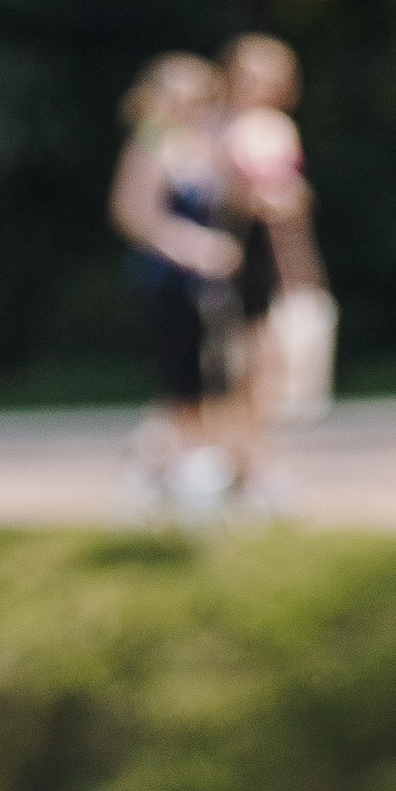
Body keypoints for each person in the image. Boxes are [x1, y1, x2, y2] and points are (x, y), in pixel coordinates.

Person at [109, 54, 240, 515]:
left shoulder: (203, 145)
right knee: (182, 386)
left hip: (208, 286)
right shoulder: (149, 144)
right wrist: (194, 247)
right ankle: (181, 480)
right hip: (169, 281)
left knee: (211, 385)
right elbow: (134, 215)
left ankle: (158, 470)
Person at [217, 36, 334, 512]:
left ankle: (255, 461)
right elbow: (217, 197)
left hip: (272, 255)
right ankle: (239, 461)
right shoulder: (219, 129)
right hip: (233, 252)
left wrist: (305, 269)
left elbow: (295, 204)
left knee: (265, 367)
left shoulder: (281, 129)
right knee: (235, 366)